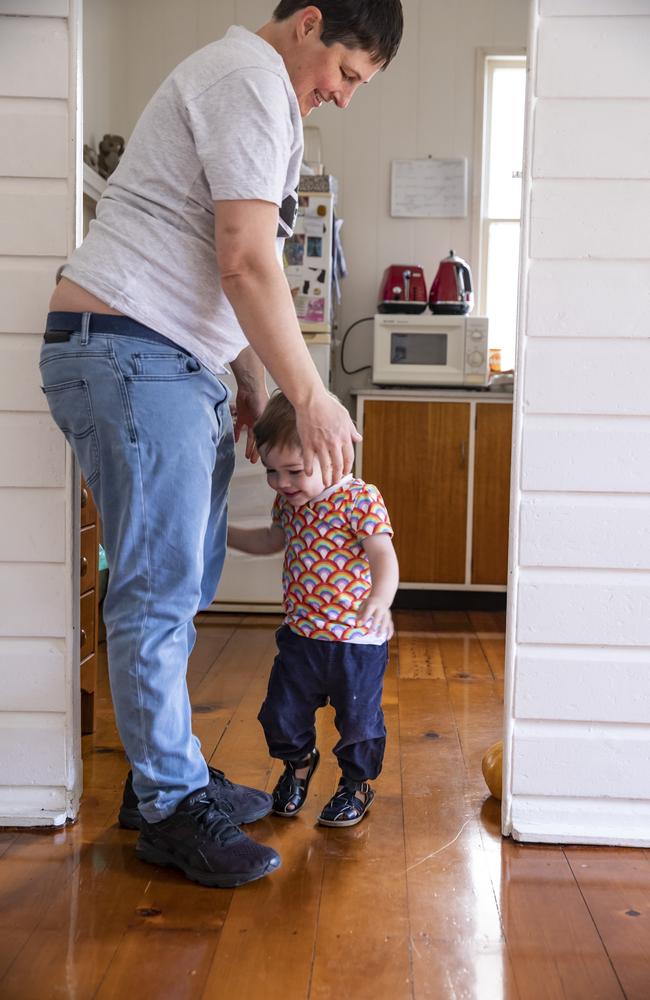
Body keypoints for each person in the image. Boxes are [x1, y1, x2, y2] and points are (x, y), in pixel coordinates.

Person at [39, 1, 404, 888]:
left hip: (166, 357)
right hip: (133, 354)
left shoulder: (266, 98)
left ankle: (164, 779)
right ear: (309, 22)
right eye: (348, 74)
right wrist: (307, 395)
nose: (345, 97)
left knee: (185, 576)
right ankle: (167, 806)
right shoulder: (250, 80)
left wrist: (249, 379)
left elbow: (222, 265)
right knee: (159, 589)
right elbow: (245, 260)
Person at [228, 392, 399, 827]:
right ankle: (299, 764)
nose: (282, 483)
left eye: (294, 472)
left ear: (333, 456)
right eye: (271, 471)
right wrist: (222, 533)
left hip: (354, 642)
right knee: (281, 714)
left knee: (359, 722)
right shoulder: (290, 502)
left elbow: (383, 555)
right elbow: (271, 541)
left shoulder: (360, 499)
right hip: (301, 634)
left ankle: (355, 785)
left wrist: (380, 599)